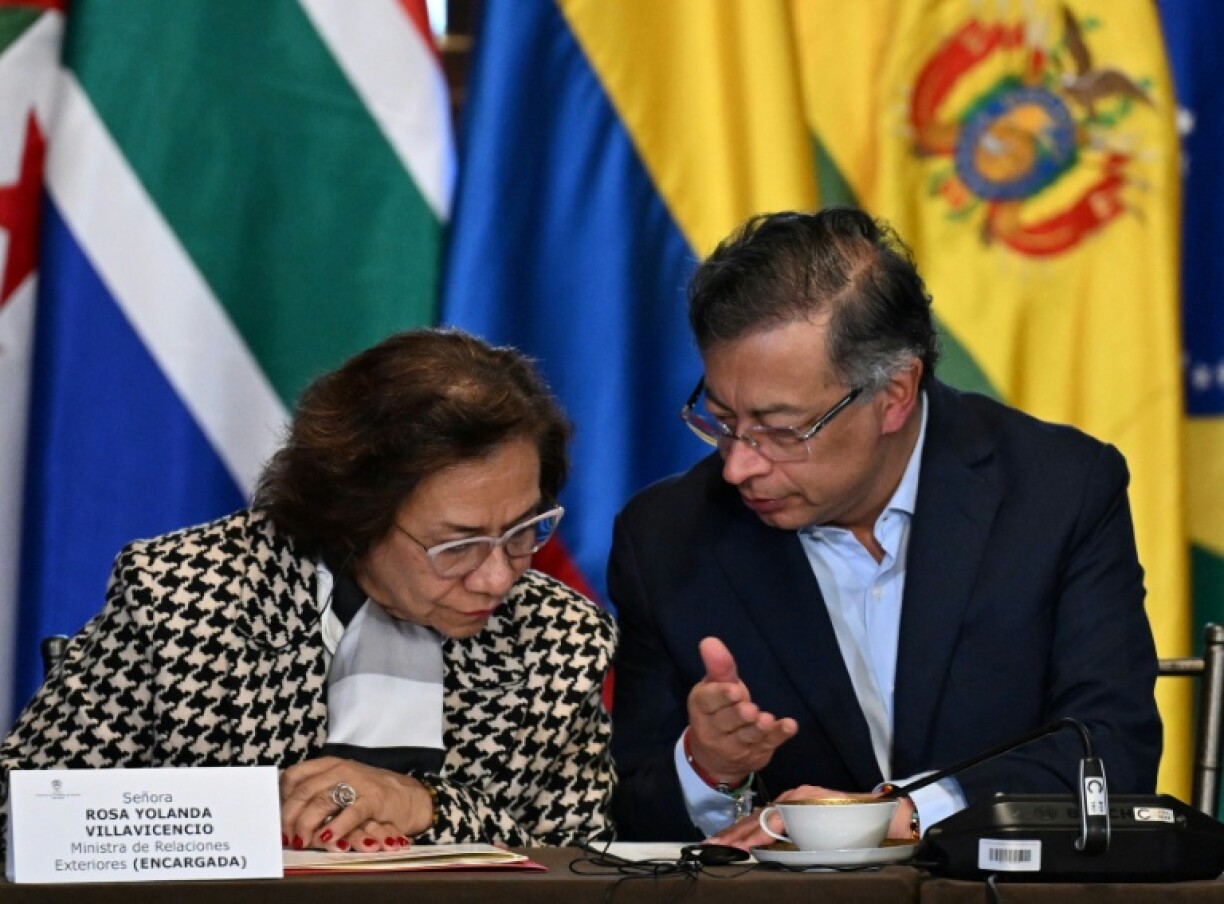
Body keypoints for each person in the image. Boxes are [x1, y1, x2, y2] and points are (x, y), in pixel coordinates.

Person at [608, 207, 1161, 845]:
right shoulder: (667, 538)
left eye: (781, 429)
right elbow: (628, 818)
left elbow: (1110, 755)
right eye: (724, 419)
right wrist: (708, 769)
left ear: (894, 394)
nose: (737, 465)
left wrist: (907, 813)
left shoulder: (1057, 491)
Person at [1, 328, 615, 856]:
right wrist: (239, 825)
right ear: (356, 515)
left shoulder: (556, 637)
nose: (498, 576)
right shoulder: (183, 597)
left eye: (521, 531)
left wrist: (425, 806)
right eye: (456, 545)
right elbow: (24, 818)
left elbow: (582, 860)